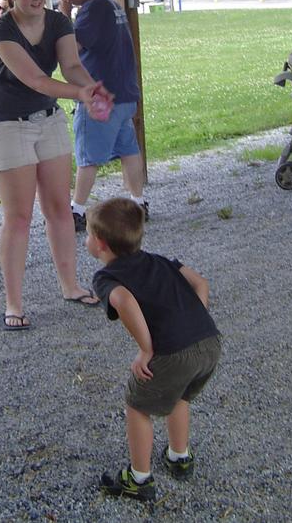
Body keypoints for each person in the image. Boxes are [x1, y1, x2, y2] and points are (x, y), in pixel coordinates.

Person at [0, 0, 112, 330]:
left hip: (48, 120)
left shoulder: (58, 21)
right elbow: (36, 80)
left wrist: (90, 87)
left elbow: (71, 65)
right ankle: (14, 304)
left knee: (59, 209)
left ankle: (71, 286)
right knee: (19, 216)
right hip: (9, 124)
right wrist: (82, 95)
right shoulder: (2, 29)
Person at [86, 198, 221, 502]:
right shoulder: (158, 260)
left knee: (138, 404)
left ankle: (139, 478)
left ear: (100, 243)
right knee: (180, 393)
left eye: (87, 235)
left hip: (173, 352)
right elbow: (201, 283)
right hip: (208, 341)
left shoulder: (107, 277)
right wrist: (192, 320)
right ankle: (178, 456)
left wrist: (145, 349)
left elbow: (123, 301)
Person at [59, 0, 147, 232]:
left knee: (88, 156)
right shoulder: (112, 4)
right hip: (125, 92)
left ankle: (77, 210)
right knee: (128, 150)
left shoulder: (92, 10)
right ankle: (139, 203)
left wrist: (64, 16)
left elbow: (73, 46)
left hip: (100, 96)